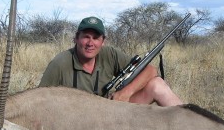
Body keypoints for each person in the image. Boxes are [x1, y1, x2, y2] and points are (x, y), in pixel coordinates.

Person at [39, 16, 182, 106]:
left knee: (157, 84)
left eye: (96, 38)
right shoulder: (60, 63)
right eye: (86, 37)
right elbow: (39, 99)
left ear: (103, 41)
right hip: (78, 122)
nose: (90, 43)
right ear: (76, 38)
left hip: (111, 112)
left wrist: (125, 93)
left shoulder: (109, 54)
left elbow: (151, 70)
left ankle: (191, 126)